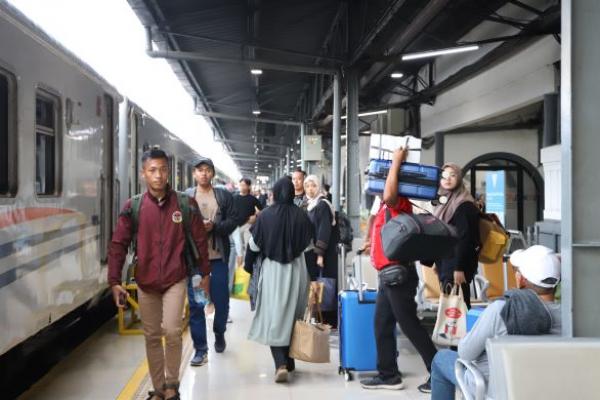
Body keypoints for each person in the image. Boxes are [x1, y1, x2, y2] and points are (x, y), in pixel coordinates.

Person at [108, 149, 210, 400]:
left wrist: (205, 275)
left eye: (163, 169)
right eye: (152, 170)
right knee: (152, 335)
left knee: (173, 331)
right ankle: (158, 388)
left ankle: (172, 384)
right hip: (146, 282)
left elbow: (200, 240)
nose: (159, 175)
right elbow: (118, 244)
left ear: (169, 172)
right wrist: (114, 281)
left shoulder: (185, 205)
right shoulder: (134, 207)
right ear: (143, 173)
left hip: (176, 278)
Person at [430, 245, 562, 400]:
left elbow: (465, 352)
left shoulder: (503, 309)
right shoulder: (571, 316)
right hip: (547, 390)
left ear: (522, 280)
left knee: (440, 359)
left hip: (494, 390)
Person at [360, 147, 437, 393]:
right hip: (387, 275)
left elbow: (391, 193)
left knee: (409, 325)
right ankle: (388, 375)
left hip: (398, 275)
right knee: (381, 324)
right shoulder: (384, 206)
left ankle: (439, 373)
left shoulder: (398, 200)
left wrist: (395, 162)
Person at [244, 177, 314, 383]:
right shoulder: (302, 215)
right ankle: (290, 361)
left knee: (275, 316)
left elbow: (254, 246)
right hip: (298, 270)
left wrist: (248, 267)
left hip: (273, 271)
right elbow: (309, 246)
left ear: (274, 193)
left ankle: (280, 364)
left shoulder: (265, 216)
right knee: (294, 315)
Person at [185, 157, 241, 366]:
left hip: (218, 259)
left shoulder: (223, 196)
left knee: (222, 301)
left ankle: (219, 332)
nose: (204, 174)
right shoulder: (187, 197)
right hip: (196, 262)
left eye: (208, 170)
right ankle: (200, 349)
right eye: (200, 170)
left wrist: (214, 228)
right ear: (194, 174)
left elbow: (234, 220)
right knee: (197, 304)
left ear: (213, 174)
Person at [423, 163, 480, 309]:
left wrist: (459, 268)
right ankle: (454, 330)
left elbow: (465, 238)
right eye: (444, 176)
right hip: (447, 260)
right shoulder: (444, 202)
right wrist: (437, 262)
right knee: (452, 301)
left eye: (452, 175)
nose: (447, 179)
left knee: (456, 302)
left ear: (459, 178)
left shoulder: (464, 204)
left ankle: (459, 331)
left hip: (457, 262)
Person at [303, 175, 340, 327]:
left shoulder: (322, 205)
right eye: (308, 186)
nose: (310, 189)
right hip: (315, 253)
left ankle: (327, 320)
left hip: (324, 254)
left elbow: (324, 231)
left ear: (318, 187)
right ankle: (320, 317)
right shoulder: (311, 205)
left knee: (324, 284)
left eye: (313, 186)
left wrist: (320, 255)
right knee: (318, 285)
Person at [233, 177, 264, 263]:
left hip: (248, 225)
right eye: (241, 185)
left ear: (248, 186)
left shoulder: (252, 198)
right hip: (236, 226)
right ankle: (238, 266)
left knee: (248, 245)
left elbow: (262, 209)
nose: (242, 187)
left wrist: (256, 216)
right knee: (237, 247)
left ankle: (247, 266)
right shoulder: (234, 198)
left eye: (244, 185)